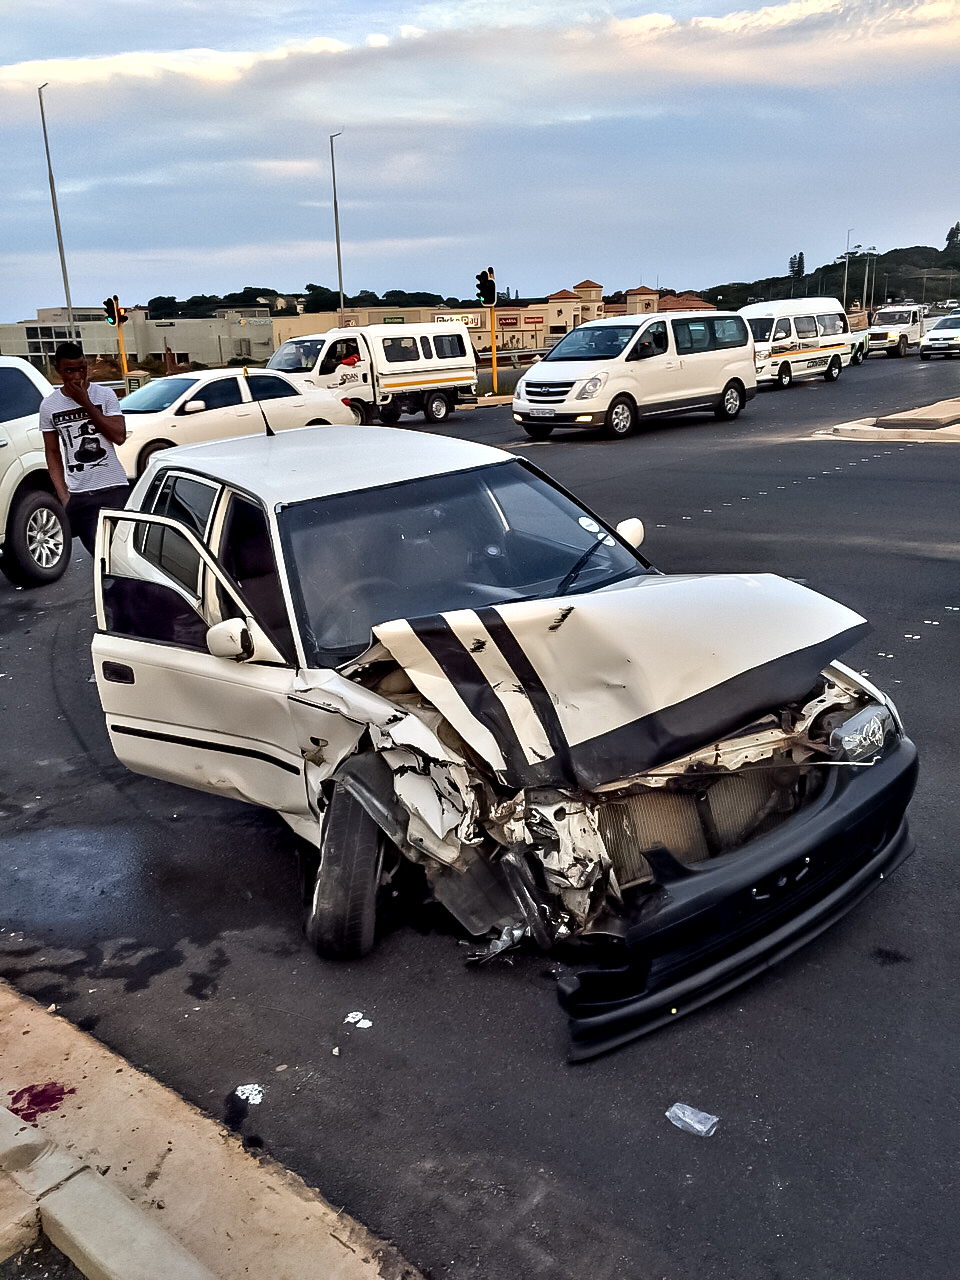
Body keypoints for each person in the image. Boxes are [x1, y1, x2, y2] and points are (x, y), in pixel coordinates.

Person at [40, 342, 130, 557]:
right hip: (80, 494)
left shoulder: (105, 395)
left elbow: (119, 437)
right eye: (69, 370)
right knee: (101, 558)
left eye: (81, 368)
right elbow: (52, 452)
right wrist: (64, 495)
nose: (77, 375)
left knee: (123, 555)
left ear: (87, 365)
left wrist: (86, 403)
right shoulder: (49, 406)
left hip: (113, 488)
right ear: (58, 369)